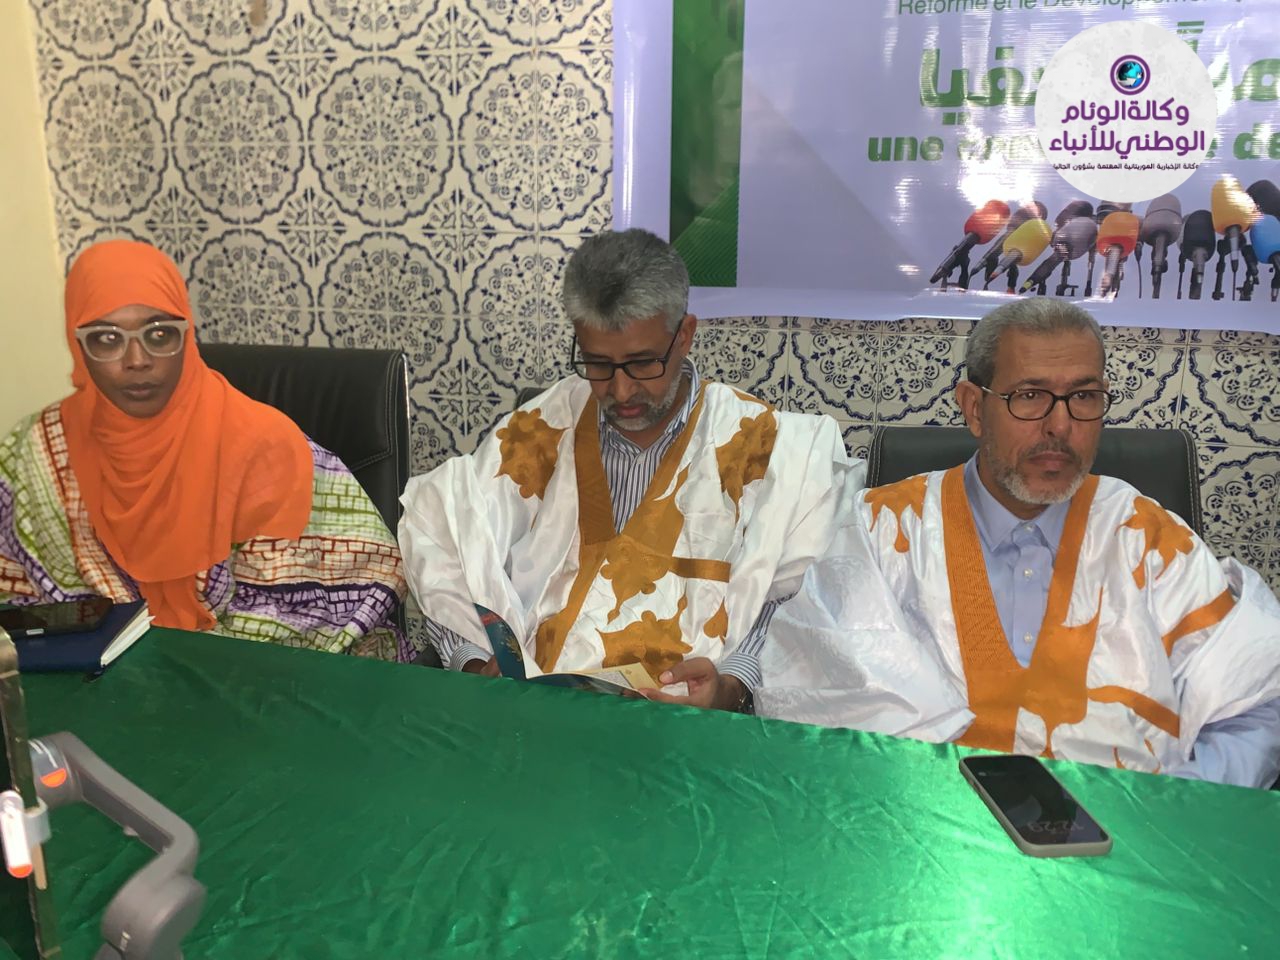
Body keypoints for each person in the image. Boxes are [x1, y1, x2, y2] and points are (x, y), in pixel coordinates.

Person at [761, 299, 1280, 788]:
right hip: (923, 821)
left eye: (1083, 397)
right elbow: (823, 702)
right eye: (1029, 396)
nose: (1060, 426)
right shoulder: (883, 530)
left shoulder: (1149, 539)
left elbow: (1255, 701)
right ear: (974, 408)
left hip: (1128, 832)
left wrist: (1170, 809)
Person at [399, 229, 857, 710]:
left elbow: (797, 603)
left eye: (641, 364)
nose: (620, 391)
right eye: (597, 364)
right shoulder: (540, 429)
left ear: (684, 335)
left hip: (686, 724)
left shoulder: (770, 449)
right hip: (536, 713)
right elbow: (444, 539)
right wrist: (473, 662)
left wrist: (731, 688)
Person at [0, 240, 406, 659]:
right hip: (88, 676)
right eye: (107, 338)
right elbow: (14, 603)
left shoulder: (263, 446)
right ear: (78, 346)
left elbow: (344, 596)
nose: (137, 359)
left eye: (159, 334)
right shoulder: (38, 450)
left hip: (247, 676)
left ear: (187, 335)